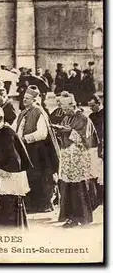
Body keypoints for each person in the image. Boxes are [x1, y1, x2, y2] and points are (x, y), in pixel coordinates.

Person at [53, 93, 99, 227]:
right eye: (61, 106)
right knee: (67, 187)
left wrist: (68, 131)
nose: (63, 109)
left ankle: (81, 217)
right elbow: (64, 134)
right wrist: (59, 131)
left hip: (79, 158)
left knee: (78, 188)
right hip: (68, 157)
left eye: (65, 107)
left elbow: (86, 139)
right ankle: (70, 217)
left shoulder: (83, 119)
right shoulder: (66, 118)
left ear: (73, 105)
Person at [14, 86, 60, 213]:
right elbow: (16, 129)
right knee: (28, 177)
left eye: (27, 99)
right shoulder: (23, 112)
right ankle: (30, 204)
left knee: (40, 178)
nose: (24, 101)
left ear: (35, 100)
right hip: (26, 150)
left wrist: (25, 139)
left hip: (38, 152)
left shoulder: (39, 112)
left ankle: (43, 205)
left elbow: (42, 133)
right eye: (24, 98)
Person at [88, 94, 104, 205]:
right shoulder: (91, 116)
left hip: (103, 144)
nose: (91, 108)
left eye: (93, 105)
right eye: (90, 106)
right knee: (97, 171)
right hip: (95, 147)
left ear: (99, 103)